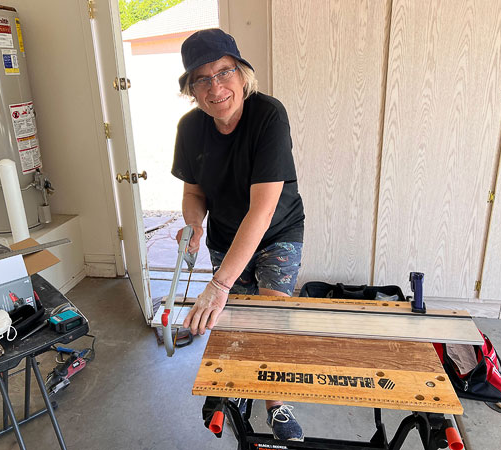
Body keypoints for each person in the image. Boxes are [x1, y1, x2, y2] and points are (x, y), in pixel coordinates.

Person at [172, 28, 306, 442]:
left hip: (277, 230)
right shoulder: (190, 128)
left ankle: (276, 402)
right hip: (226, 234)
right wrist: (194, 224)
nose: (215, 88)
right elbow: (194, 193)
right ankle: (243, 383)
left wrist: (218, 284)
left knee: (270, 318)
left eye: (224, 72)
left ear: (242, 74)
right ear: (191, 89)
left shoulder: (268, 115)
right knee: (236, 320)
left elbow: (262, 212)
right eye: (202, 79)